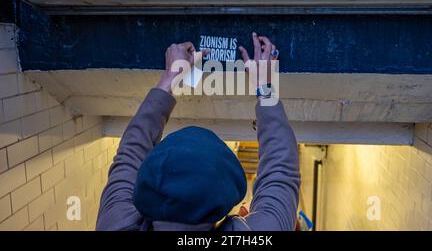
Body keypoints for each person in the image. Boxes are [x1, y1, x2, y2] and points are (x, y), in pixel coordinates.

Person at [96, 33, 300, 231]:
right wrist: (169, 79)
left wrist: (265, 88)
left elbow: (129, 154)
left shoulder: (116, 224)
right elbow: (280, 171)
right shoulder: (113, 225)